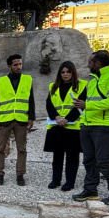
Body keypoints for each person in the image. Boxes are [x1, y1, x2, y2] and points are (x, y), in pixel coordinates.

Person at [72, 50, 109, 205]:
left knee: (105, 161)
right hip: (88, 124)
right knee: (89, 160)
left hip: (105, 126)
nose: (87, 65)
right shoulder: (93, 80)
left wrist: (87, 105)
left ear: (98, 63)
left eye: (90, 62)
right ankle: (90, 191)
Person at [0, 54, 34, 186]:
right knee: (0, 148)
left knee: (22, 149)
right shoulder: (1, 81)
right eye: (15, 65)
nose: (18, 67)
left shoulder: (27, 79)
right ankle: (0, 174)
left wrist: (31, 117)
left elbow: (31, 100)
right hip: (5, 120)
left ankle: (20, 175)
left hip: (21, 120)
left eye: (20, 64)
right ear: (9, 66)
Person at [44, 62, 87, 191]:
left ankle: (70, 182)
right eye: (62, 72)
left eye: (68, 72)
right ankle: (55, 180)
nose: (65, 74)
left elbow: (80, 106)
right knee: (57, 155)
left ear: (73, 72)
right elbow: (49, 104)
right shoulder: (53, 86)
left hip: (73, 126)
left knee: (72, 156)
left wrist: (67, 119)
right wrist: (57, 117)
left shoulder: (82, 86)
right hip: (56, 124)